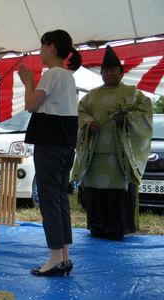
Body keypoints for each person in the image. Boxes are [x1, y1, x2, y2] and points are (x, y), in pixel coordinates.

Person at [72, 45, 153, 242]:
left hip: (120, 156)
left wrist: (126, 120)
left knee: (117, 193)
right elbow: (79, 113)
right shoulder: (91, 96)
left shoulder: (134, 94)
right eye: (105, 71)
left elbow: (145, 114)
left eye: (112, 70)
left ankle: (118, 228)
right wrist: (88, 124)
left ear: (121, 72)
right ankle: (97, 227)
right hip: (96, 154)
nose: (109, 74)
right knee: (97, 194)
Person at [18, 29, 82, 277]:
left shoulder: (51, 74)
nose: (41, 51)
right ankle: (64, 255)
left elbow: (31, 105)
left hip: (50, 143)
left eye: (42, 46)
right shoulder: (67, 76)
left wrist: (29, 83)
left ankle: (56, 257)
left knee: (48, 198)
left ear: (52, 47)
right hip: (65, 143)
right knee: (59, 197)